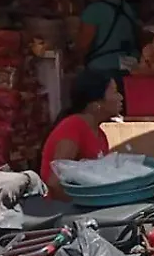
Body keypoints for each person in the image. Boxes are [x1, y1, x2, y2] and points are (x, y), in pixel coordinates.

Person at [40, 69, 122, 200]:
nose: (120, 97)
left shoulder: (100, 134)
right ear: (96, 104)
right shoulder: (73, 127)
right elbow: (54, 183)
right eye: (115, 92)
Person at [76, 0, 141, 88]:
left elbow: (84, 45)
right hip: (130, 67)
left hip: (102, 71)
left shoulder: (94, 10)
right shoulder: (126, 7)